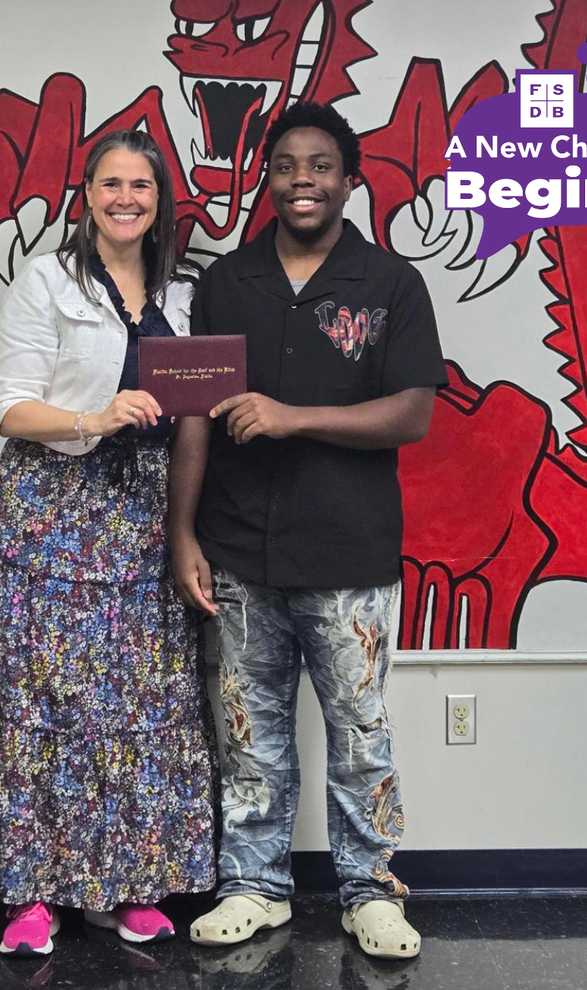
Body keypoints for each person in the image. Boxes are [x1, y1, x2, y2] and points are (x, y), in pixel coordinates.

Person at [170, 102, 446, 960]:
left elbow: (410, 414)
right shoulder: (226, 282)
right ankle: (255, 886)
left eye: (320, 165)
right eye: (286, 165)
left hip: (347, 551)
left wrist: (292, 418)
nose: (301, 180)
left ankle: (371, 891)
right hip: (237, 547)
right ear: (268, 178)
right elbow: (193, 419)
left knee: (360, 735)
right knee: (247, 734)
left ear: (349, 179)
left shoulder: (390, 283)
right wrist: (181, 535)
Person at [0, 130, 220, 957]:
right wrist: (93, 418)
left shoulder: (185, 289)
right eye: (111, 183)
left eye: (141, 184)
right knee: (41, 704)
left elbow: (195, 419)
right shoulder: (47, 278)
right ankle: (32, 895)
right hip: (49, 510)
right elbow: (7, 406)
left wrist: (181, 533)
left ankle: (127, 887)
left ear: (158, 198)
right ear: (89, 195)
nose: (125, 198)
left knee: (138, 703)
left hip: (141, 515)